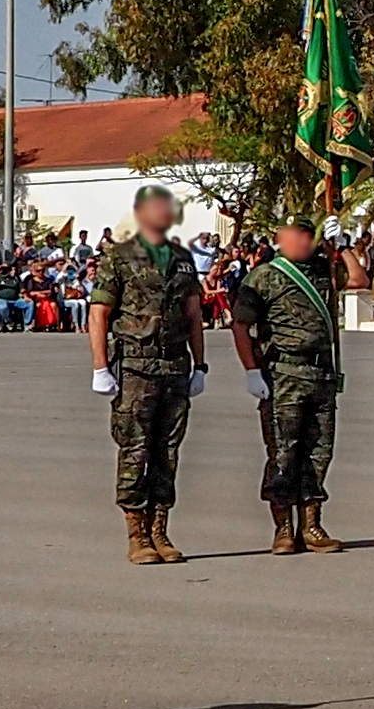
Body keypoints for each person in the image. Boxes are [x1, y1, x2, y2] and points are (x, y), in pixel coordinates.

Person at [86, 184, 208, 561]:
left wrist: (200, 364)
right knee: (135, 449)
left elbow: (193, 315)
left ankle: (161, 530)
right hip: (137, 367)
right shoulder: (120, 257)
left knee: (167, 450)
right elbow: (99, 314)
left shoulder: (182, 257)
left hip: (175, 365)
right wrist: (100, 367)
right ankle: (137, 534)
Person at [229, 213, 349, 553]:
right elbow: (241, 326)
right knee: (283, 453)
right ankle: (283, 529)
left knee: (319, 453)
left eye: (307, 235)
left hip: (321, 376)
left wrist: (342, 245)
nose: (302, 241)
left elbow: (357, 277)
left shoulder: (324, 268)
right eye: (294, 234)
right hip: (284, 376)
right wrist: (251, 371)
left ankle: (312, 525)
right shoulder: (265, 276)